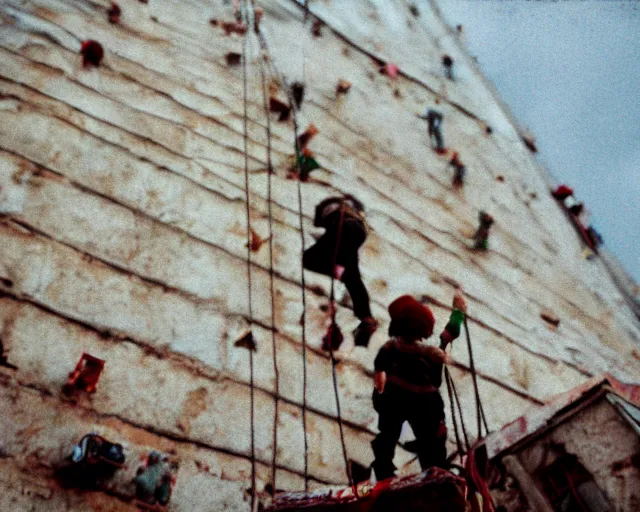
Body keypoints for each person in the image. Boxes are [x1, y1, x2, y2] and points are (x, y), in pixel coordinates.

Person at [370, 295, 451, 481]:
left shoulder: (389, 348)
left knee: (387, 437)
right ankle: (435, 475)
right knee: (431, 443)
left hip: (394, 400)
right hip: (424, 405)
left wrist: (379, 396)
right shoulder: (430, 356)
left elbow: (379, 370)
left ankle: (384, 475)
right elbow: (436, 382)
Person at [304, 195, 378, 347]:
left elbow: (322, 228)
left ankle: (337, 269)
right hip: (358, 232)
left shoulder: (332, 211)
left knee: (309, 259)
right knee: (352, 278)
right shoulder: (350, 210)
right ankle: (366, 317)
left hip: (344, 230)